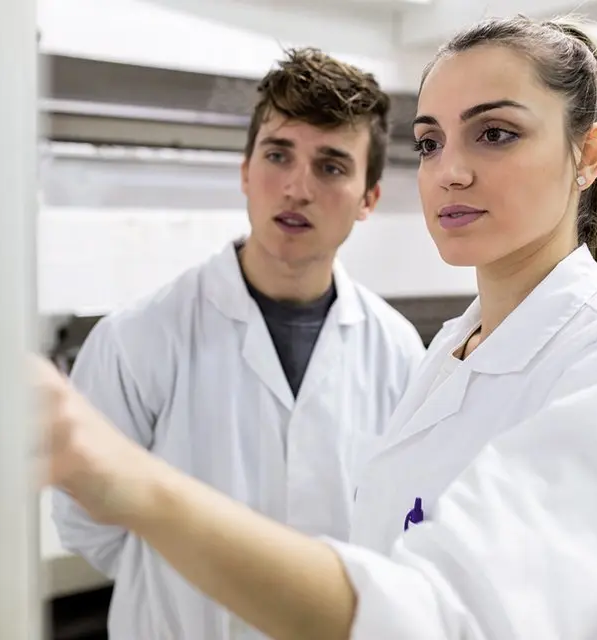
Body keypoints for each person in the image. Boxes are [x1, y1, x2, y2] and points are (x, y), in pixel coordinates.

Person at [36, 16, 597, 640]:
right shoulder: (449, 353)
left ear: (588, 153)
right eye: (429, 142)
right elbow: (93, 534)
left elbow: (445, 614)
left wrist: (136, 486)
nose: (450, 170)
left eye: (495, 133)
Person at [50, 47, 427, 639]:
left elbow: (400, 526)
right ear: (246, 171)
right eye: (279, 155)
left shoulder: (400, 353)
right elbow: (88, 525)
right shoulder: (137, 338)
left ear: (368, 200)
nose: (298, 187)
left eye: (331, 166)